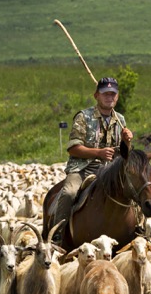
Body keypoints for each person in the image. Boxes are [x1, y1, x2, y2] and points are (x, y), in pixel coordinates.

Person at [51, 76, 134, 238]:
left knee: (136, 189)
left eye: (112, 94)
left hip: (110, 170)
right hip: (83, 169)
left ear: (117, 97)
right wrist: (98, 153)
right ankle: (57, 234)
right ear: (96, 95)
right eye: (105, 94)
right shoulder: (83, 117)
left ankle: (139, 229)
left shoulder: (120, 120)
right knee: (69, 193)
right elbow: (73, 148)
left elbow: (124, 153)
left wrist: (127, 141)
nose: (109, 97)